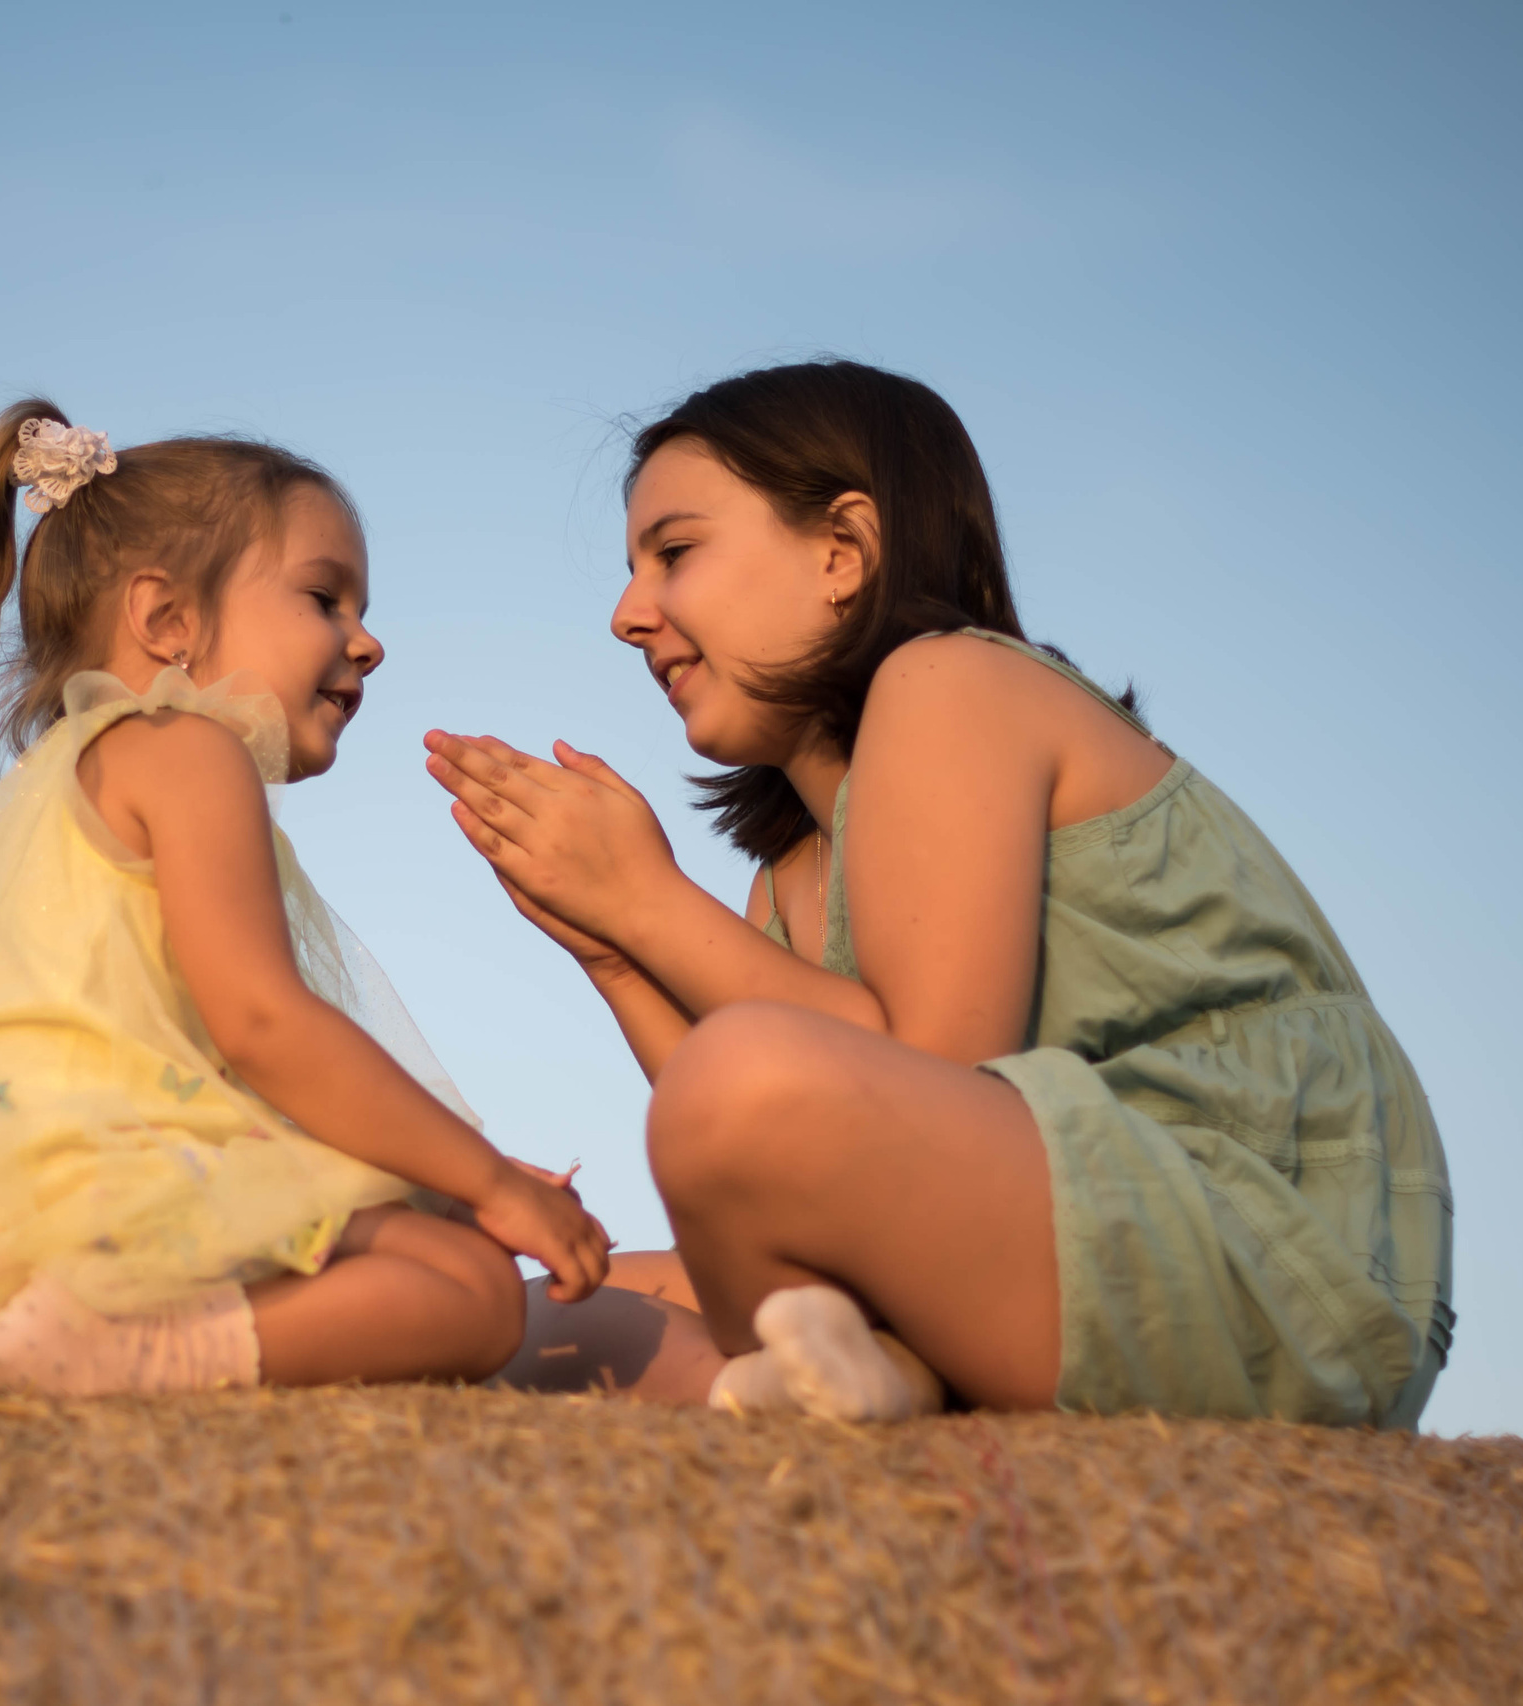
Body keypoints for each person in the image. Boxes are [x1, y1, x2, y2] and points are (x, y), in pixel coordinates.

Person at [428, 360, 1452, 1427]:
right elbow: (762, 1159)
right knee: (520, 1312)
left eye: (674, 552)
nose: (627, 613)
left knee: (736, 1083)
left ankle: (886, 1372)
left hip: (1248, 1235)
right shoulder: (788, 874)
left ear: (842, 549)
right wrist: (613, 949)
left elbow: (920, 1068)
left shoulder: (949, 681)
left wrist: (647, 898)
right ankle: (844, 1378)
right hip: (1045, 1230)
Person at [0, 399, 608, 1401]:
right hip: (100, 1185)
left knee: (429, 1237)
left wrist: (440, 1174)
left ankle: (75, 1338)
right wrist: (490, 1182)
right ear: (167, 620)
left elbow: (217, 1071)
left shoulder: (74, 777)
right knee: (471, 1288)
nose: (368, 640)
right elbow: (262, 1024)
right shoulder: (187, 749)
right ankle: (120, 1356)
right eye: (325, 598)